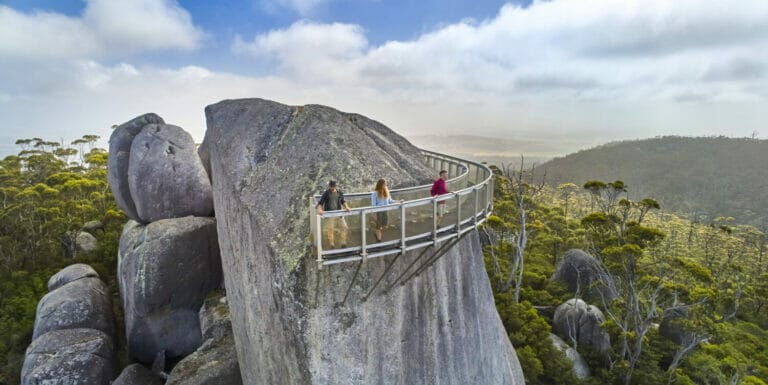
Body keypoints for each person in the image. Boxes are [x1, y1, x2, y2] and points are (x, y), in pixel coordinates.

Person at [316, 180, 351, 248]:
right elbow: (320, 203)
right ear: (329, 186)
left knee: (344, 227)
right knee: (330, 229)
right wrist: (320, 209)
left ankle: (343, 242)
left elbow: (343, 201)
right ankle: (332, 244)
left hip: (339, 214)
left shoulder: (339, 192)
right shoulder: (326, 193)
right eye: (331, 186)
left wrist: (347, 207)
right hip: (329, 214)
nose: (332, 188)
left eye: (333, 186)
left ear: (335, 186)